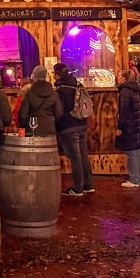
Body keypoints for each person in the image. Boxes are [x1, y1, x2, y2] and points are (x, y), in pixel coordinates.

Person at [54, 62, 95, 197]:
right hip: (82, 123)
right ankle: (88, 184)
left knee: (75, 158)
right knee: (83, 155)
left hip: (68, 127)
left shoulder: (61, 90)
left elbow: (59, 111)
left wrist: (56, 123)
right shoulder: (77, 85)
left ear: (58, 75)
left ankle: (78, 188)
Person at [115, 69, 140, 187]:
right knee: (135, 151)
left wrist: (120, 127)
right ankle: (138, 177)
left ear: (124, 78)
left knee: (131, 152)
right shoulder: (134, 89)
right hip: (134, 121)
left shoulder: (125, 91)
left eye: (119, 76)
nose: (117, 77)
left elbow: (124, 110)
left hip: (129, 123)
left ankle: (134, 179)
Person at [19, 65, 63, 136]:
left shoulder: (29, 94)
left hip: (32, 129)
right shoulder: (54, 94)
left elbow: (22, 115)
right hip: (50, 129)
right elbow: (59, 114)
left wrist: (27, 124)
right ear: (46, 76)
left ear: (34, 76)